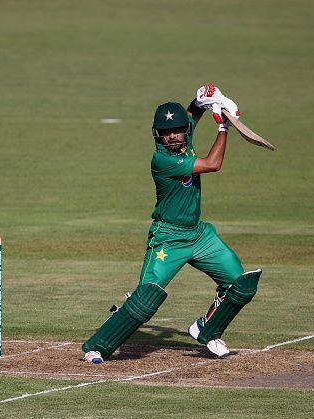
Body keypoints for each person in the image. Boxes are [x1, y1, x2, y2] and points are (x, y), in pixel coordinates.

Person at [82, 84, 262, 363]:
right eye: (166, 133)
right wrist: (223, 127)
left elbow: (191, 113)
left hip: (199, 234)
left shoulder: (183, 138)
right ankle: (97, 347)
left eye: (177, 130)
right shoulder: (162, 159)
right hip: (168, 237)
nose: (172, 136)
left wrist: (204, 98)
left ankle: (207, 329)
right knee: (145, 301)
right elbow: (213, 164)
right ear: (158, 136)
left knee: (240, 284)